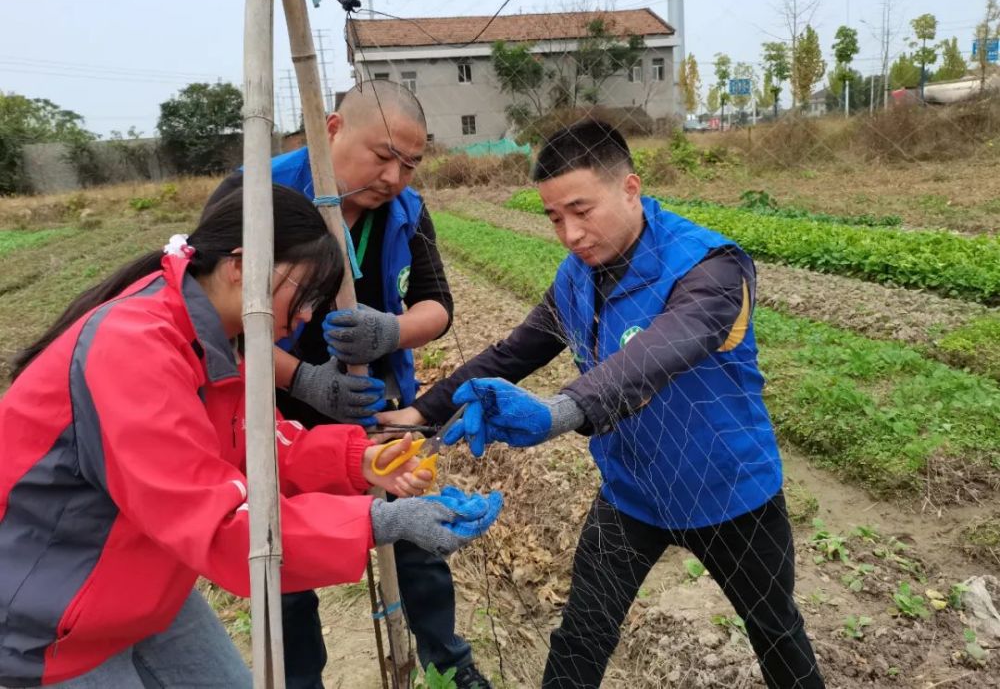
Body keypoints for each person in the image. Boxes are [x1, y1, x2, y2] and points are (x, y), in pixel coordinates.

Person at [380, 120, 826, 688]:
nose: (569, 233)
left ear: (630, 189)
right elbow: (517, 349)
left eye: (581, 210)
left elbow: (660, 353)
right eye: (554, 217)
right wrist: (424, 411)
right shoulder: (577, 278)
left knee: (776, 633)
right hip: (631, 492)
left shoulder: (710, 267)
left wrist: (558, 411)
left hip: (728, 492)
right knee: (583, 636)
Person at [0, 184, 501, 688]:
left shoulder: (213, 335)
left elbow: (259, 442)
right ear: (239, 266)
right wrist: (380, 522)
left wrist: (360, 460)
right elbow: (214, 521)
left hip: (142, 586)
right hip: (46, 618)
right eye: (304, 295)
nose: (307, 316)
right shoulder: (135, 349)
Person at [207, 80, 490, 689]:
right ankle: (299, 679)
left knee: (416, 526)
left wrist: (390, 331)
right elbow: (222, 326)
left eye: (410, 163)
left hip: (375, 402)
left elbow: (436, 306)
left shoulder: (405, 211)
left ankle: (448, 663)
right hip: (274, 408)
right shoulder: (255, 195)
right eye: (382, 155)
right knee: (283, 552)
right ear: (330, 128)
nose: (394, 176)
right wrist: (305, 380)